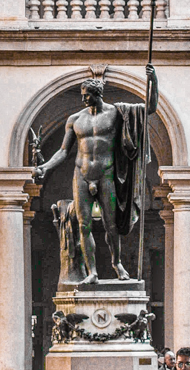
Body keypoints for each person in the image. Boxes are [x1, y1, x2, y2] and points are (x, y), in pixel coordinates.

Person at [33, 64, 157, 283]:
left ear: (98, 95)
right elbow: (63, 151)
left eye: (87, 96)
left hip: (106, 173)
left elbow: (149, 108)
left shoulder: (117, 114)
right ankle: (92, 273)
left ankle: (117, 263)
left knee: (111, 225)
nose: (84, 100)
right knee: (83, 224)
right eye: (82, 96)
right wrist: (45, 167)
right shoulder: (75, 120)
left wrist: (153, 81)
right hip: (81, 173)